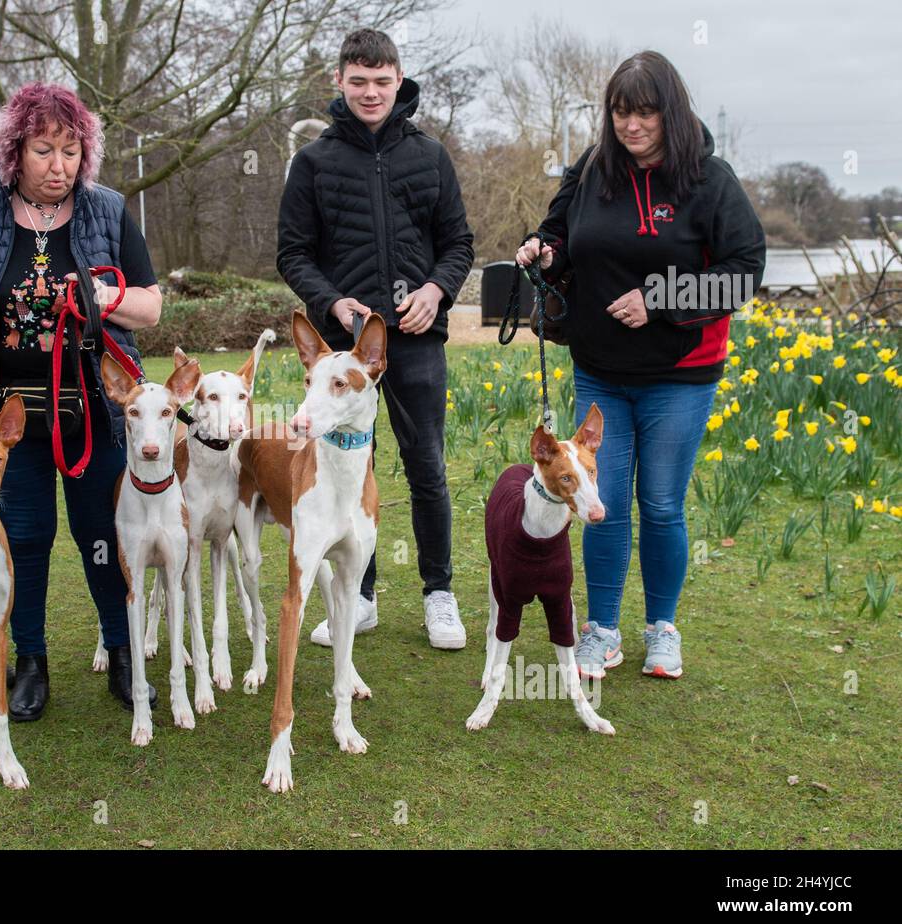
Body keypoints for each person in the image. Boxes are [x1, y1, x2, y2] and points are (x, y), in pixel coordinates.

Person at [517, 50, 765, 681]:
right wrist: (543, 255)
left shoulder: (711, 180)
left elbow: (743, 273)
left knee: (658, 504)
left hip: (680, 373)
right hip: (600, 366)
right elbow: (560, 236)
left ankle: (662, 628)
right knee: (601, 501)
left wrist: (659, 300)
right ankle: (601, 630)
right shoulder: (592, 170)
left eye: (645, 113)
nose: (631, 126)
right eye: (621, 112)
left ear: (671, 113)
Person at [0, 82, 163, 720]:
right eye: (44, 151)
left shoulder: (107, 210)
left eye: (72, 151)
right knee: (21, 537)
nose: (60, 166)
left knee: (103, 534)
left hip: (92, 413)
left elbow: (152, 305)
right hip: (4, 422)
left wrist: (100, 299)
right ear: (15, 151)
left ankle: (124, 653)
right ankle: (30, 660)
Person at [277, 28, 475, 651]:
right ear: (339, 82)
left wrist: (436, 291)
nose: (370, 93)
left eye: (382, 82)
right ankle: (359, 596)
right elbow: (292, 253)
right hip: (343, 352)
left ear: (399, 81)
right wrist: (332, 301)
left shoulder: (430, 155)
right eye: (358, 81)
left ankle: (438, 593)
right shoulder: (313, 161)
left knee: (426, 469)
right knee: (343, 469)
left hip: (414, 341)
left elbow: (459, 245)